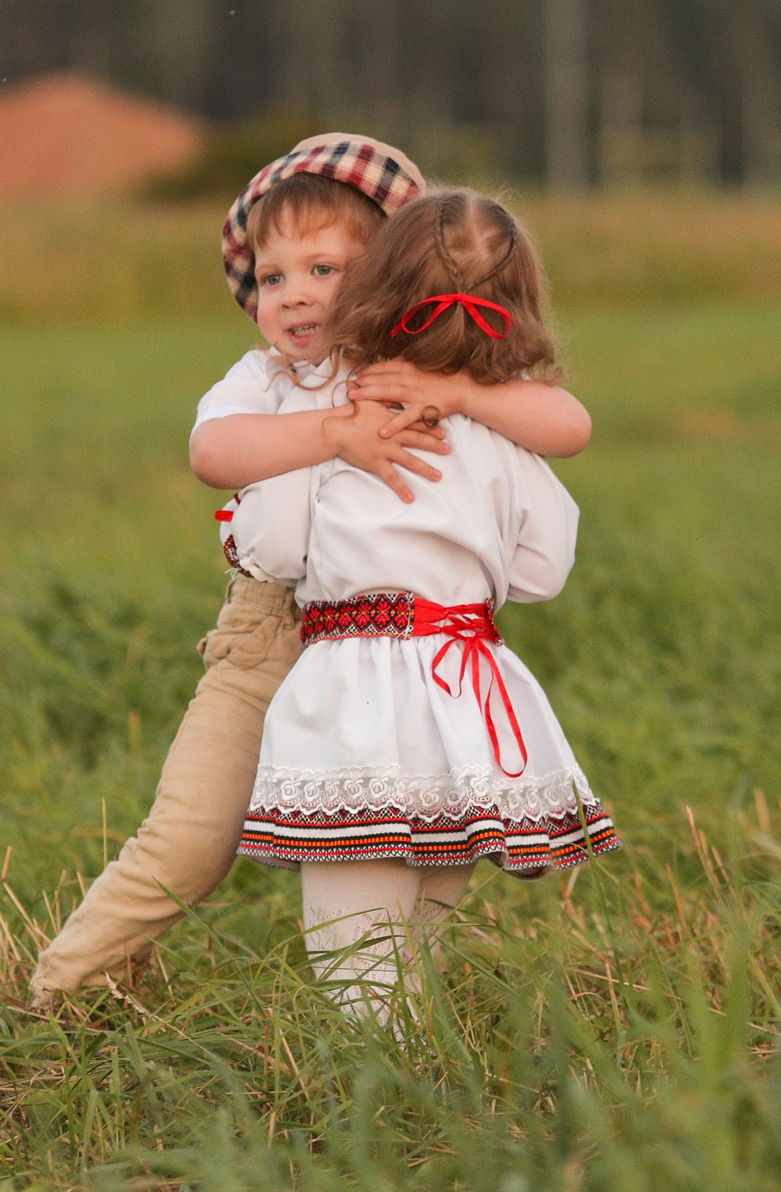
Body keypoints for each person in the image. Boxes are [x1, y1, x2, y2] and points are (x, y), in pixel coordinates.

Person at [29, 137, 591, 1007]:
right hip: (272, 641)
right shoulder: (267, 379)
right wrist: (333, 433)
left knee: (411, 837)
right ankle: (69, 990)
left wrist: (467, 395)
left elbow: (563, 420)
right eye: (270, 274)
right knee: (191, 837)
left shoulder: (428, 368)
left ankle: (394, 1015)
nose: (291, 294)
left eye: (323, 267)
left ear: (393, 272)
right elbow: (214, 451)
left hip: (405, 654)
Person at [222, 189, 618, 1023]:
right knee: (419, 946)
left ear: (373, 285)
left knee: (360, 961)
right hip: (465, 698)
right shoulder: (508, 436)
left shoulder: (348, 419)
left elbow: (279, 549)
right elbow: (544, 569)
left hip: (357, 699)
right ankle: (434, 1101)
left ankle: (395, 1108)